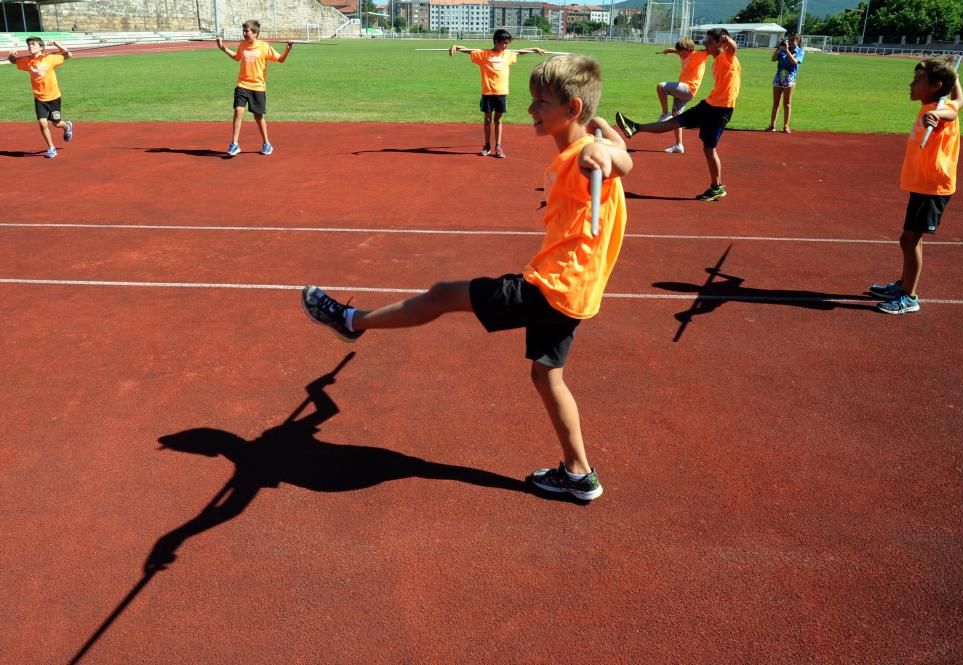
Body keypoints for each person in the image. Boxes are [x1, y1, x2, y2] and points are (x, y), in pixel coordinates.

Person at [301, 55, 633, 502]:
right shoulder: (585, 142)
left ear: (571, 109)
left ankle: (350, 321)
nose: (530, 109)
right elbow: (617, 148)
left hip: (550, 288)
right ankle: (578, 475)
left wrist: (604, 151)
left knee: (442, 296)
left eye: (541, 102)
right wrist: (609, 139)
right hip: (576, 293)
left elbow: (617, 162)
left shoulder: (584, 159)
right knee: (547, 377)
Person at [870, 58, 963, 315]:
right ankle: (904, 285)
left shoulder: (939, 111)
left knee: (909, 240)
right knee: (912, 238)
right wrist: (955, 77)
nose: (911, 85)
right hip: (924, 184)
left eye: (917, 81)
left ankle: (909, 296)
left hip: (932, 186)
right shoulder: (937, 101)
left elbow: (953, 111)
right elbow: (960, 101)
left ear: (936, 85)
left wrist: (936, 114)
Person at [615, 28, 741, 201]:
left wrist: (727, 40)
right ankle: (635, 127)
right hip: (709, 104)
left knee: (709, 149)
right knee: (676, 122)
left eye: (709, 42)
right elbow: (692, 52)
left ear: (721, 43)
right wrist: (674, 51)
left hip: (721, 110)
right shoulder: (714, 57)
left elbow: (733, 48)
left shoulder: (728, 57)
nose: (705, 44)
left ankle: (716, 187)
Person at [449, 29, 545, 159]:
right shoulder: (484, 54)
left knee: (498, 120)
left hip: (501, 92)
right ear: (496, 41)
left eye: (507, 44)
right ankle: (487, 146)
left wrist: (534, 48)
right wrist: (456, 46)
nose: (505, 46)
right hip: (487, 92)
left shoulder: (507, 55)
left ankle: (498, 147)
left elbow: (520, 52)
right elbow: (469, 50)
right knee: (488, 119)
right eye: (503, 43)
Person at [216, 20, 293, 157]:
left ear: (255, 33)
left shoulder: (264, 46)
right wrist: (223, 48)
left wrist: (287, 49)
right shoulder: (242, 45)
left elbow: (280, 59)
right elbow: (236, 57)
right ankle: (234, 144)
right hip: (242, 84)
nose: (245, 34)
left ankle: (266, 143)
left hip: (258, 86)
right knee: (238, 110)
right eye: (244, 31)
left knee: (258, 116)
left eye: (247, 31)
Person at [6, 37, 74, 159]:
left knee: (56, 123)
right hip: (39, 97)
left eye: (33, 44)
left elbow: (68, 55)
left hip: (54, 97)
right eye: (29, 45)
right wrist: (11, 54)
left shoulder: (50, 58)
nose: (30, 46)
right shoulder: (27, 61)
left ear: (41, 47)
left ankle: (67, 126)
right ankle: (51, 148)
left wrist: (56, 43)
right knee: (42, 122)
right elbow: (12, 61)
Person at [655, 37, 709, 154]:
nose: (679, 54)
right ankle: (679, 145)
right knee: (677, 117)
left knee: (661, 87)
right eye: (678, 51)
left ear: (689, 50)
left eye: (681, 52)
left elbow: (708, 51)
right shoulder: (684, 54)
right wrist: (671, 50)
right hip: (683, 89)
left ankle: (665, 114)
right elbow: (680, 51)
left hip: (688, 88)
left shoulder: (697, 55)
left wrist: (720, 45)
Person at [766, 34, 805, 133]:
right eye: (790, 40)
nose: (791, 42)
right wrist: (778, 48)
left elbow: (794, 62)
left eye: (793, 40)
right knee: (776, 102)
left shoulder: (800, 51)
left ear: (798, 40)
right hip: (779, 77)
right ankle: (772, 125)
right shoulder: (782, 49)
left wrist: (787, 50)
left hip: (790, 78)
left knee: (787, 103)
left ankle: (786, 126)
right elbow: (773, 59)